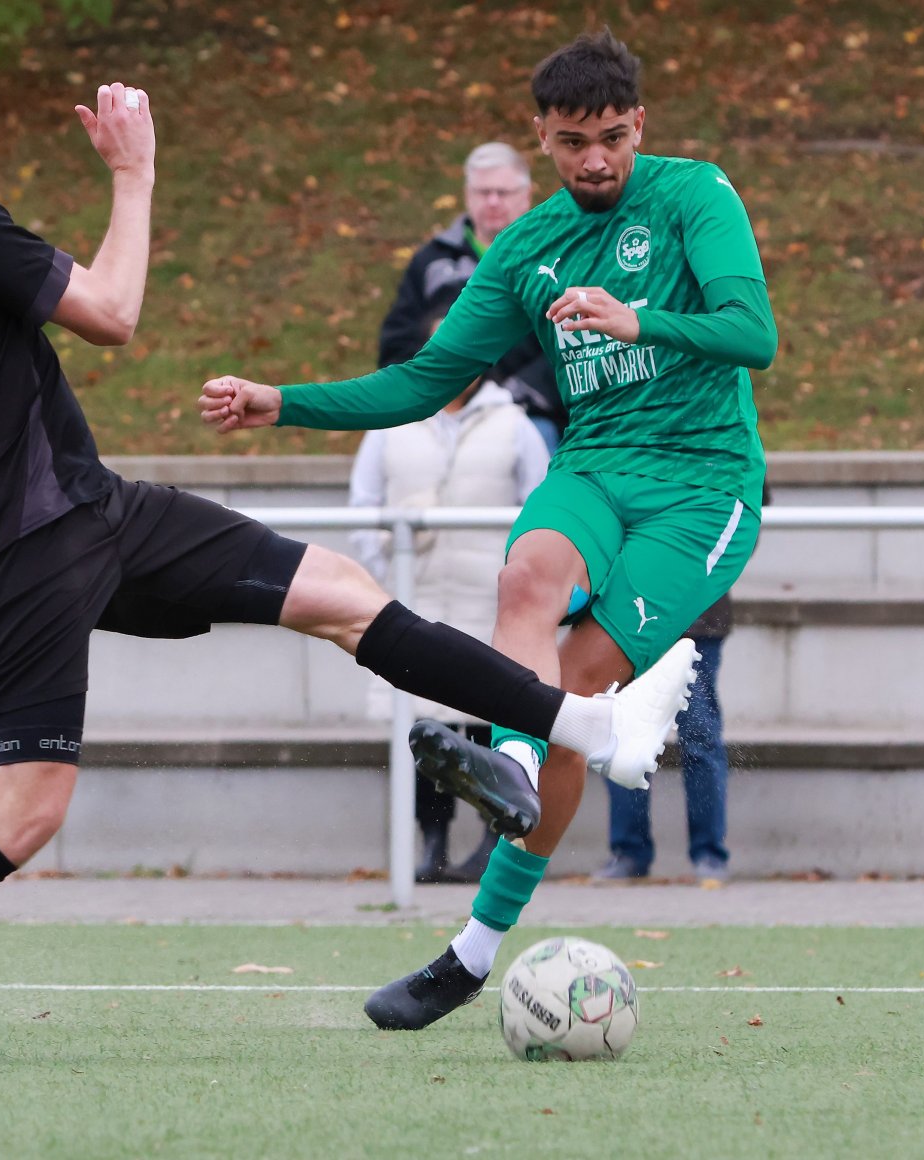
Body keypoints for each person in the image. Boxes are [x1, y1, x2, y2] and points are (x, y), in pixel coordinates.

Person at [0, 25, 695, 1066]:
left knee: (341, 591)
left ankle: (590, 726)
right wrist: (134, 172)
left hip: (87, 511)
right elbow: (114, 314)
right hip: (31, 545)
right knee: (29, 806)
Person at [200, 28, 776, 1032]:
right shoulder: (524, 247)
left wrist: (642, 322)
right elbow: (423, 381)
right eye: (569, 142)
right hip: (592, 467)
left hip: (701, 485)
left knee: (577, 684)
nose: (591, 159)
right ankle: (514, 760)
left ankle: (472, 950)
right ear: (540, 139)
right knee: (526, 590)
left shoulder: (694, 196)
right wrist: (277, 399)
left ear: (637, 123)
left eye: (608, 137)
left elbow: (751, 332)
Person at [351, 287, 552, 882]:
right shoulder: (390, 422)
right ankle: (430, 845)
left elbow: (541, 509)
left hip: (488, 607)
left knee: (493, 725)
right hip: (415, 603)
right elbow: (364, 505)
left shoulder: (514, 425)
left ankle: (493, 846)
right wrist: (388, 564)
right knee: (422, 729)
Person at [378, 141, 567, 454]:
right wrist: (432, 393)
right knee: (392, 442)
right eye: (483, 192)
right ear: (467, 195)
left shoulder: (554, 261)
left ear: (526, 195)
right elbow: (397, 343)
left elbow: (568, 346)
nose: (492, 201)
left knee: (538, 439)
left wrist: (510, 397)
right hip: (435, 414)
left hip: (528, 413)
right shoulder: (431, 263)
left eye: (503, 193)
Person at [595, 597, 732, 882]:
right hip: (629, 620)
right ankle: (629, 851)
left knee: (700, 737)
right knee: (623, 733)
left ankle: (709, 852)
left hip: (695, 617)